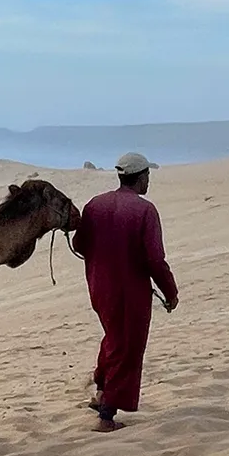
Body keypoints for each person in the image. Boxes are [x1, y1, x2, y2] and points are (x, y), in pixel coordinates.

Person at [73, 152, 178, 432]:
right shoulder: (145, 210)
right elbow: (155, 260)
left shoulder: (95, 204)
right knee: (126, 347)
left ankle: (100, 392)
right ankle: (106, 416)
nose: (148, 182)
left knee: (113, 338)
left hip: (98, 287)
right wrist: (171, 292)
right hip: (130, 292)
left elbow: (80, 244)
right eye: (147, 177)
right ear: (141, 177)